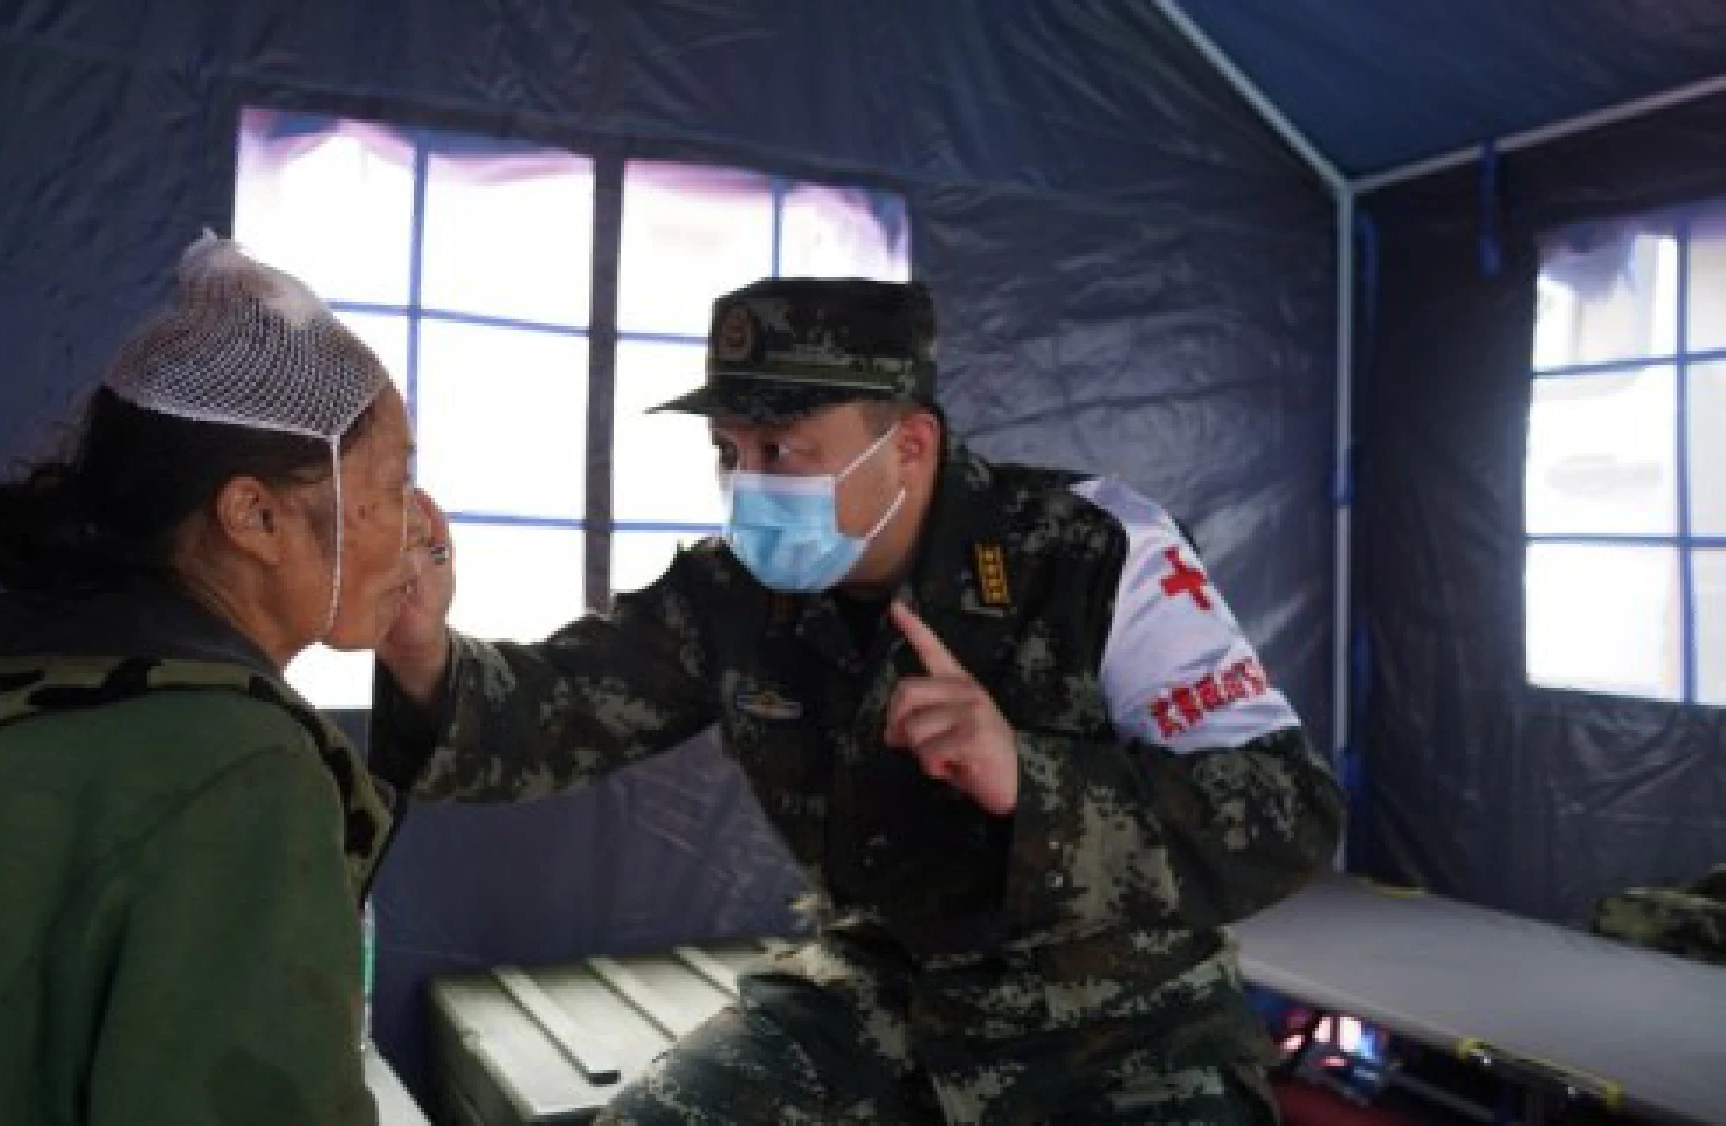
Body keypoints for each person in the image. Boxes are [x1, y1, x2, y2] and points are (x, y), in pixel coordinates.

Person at [374, 277, 1345, 1124]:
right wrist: (419, 642)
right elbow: (549, 713)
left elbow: (1283, 815)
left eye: (784, 449)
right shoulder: (731, 594)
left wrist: (1031, 779)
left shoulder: (1093, 550)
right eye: (729, 449)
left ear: (910, 444)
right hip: (882, 996)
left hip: (1120, 1027)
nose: (748, 484)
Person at [0, 236, 425, 1125]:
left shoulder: (19, 683)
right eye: (397, 480)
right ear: (254, 516)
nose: (421, 524)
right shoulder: (242, 768)